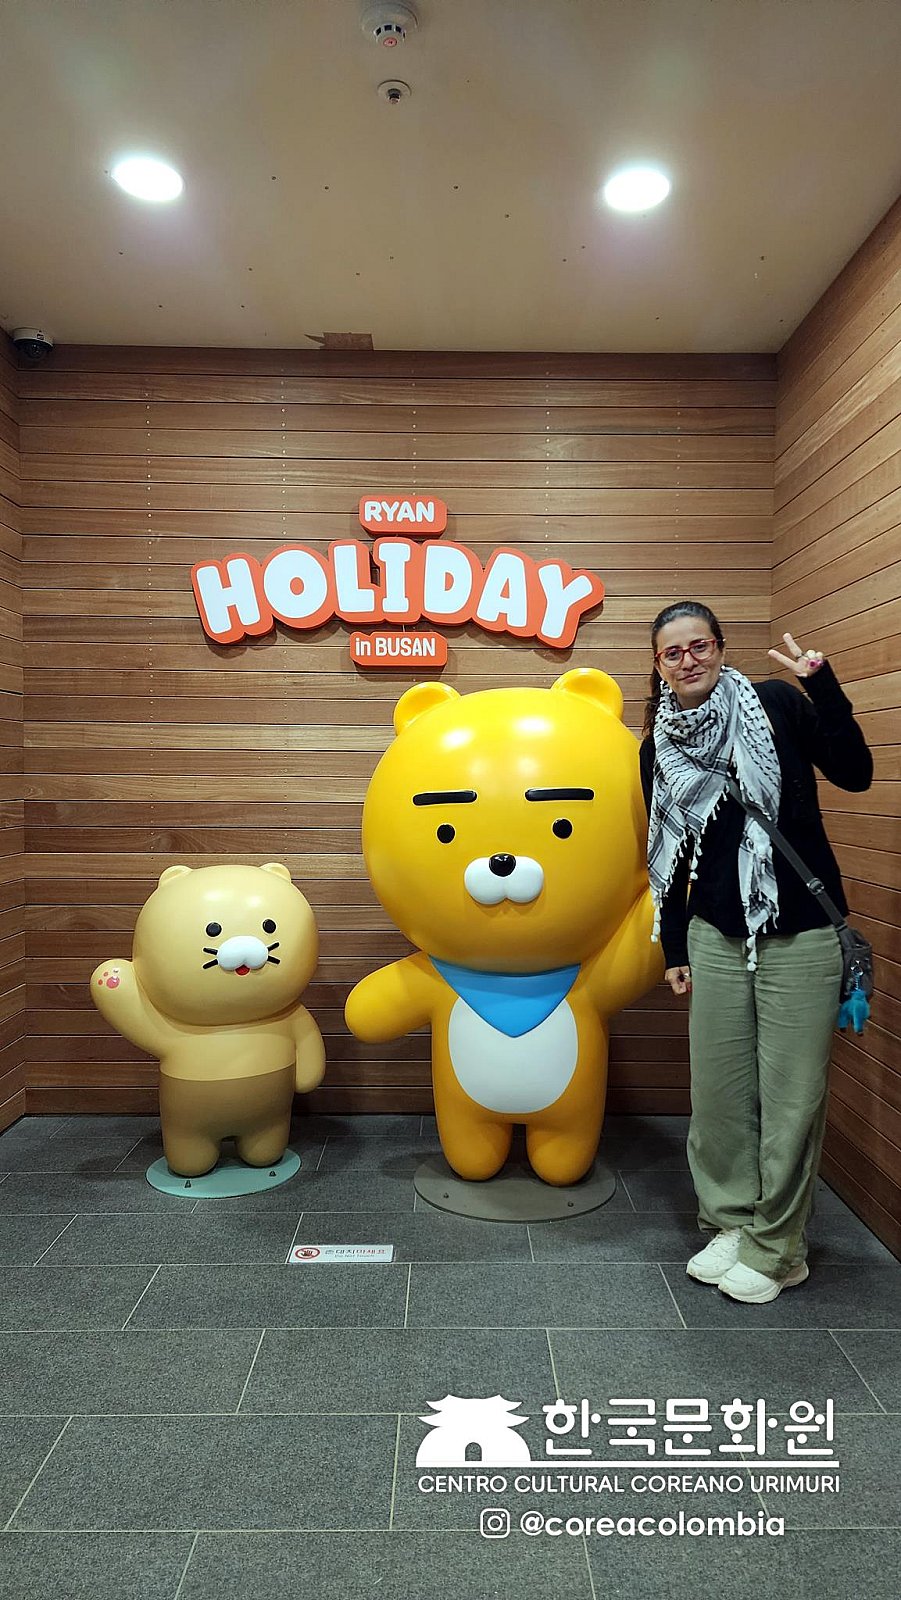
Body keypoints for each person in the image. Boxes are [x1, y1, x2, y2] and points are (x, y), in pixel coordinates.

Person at [639, 601, 872, 1304]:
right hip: (713, 935)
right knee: (718, 1098)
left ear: (719, 647)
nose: (688, 660)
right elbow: (669, 856)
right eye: (672, 652)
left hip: (798, 933)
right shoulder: (657, 746)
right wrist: (673, 946)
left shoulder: (773, 704)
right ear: (658, 665)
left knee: (790, 1100)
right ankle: (730, 1223)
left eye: (699, 645)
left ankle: (777, 1247)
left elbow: (855, 771)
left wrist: (820, 683)